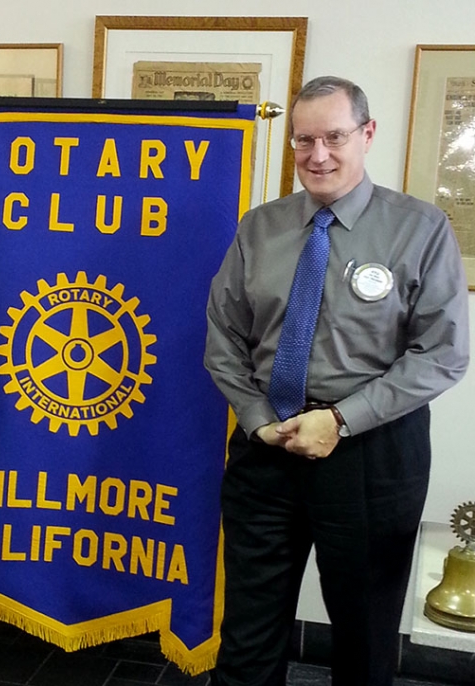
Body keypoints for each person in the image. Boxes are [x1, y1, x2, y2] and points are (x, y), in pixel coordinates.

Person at [204, 75, 469, 686]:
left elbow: (443, 353)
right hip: (266, 449)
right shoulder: (260, 227)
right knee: (247, 635)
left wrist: (340, 419)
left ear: (367, 134)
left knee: (365, 636)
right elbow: (223, 338)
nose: (316, 155)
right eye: (302, 141)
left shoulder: (419, 228)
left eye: (333, 137)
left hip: (371, 455)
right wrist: (257, 419)